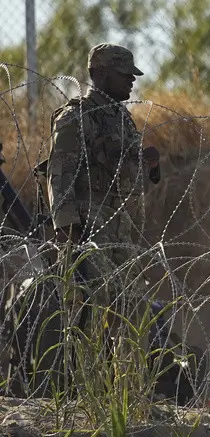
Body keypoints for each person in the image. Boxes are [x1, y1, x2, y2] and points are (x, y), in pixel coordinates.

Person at [42, 42, 161, 324]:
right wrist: (69, 243)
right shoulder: (76, 116)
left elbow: (127, 175)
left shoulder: (121, 119)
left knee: (130, 317)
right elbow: (59, 179)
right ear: (100, 73)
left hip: (120, 228)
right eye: (123, 73)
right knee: (93, 317)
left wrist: (150, 166)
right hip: (90, 229)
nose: (131, 79)